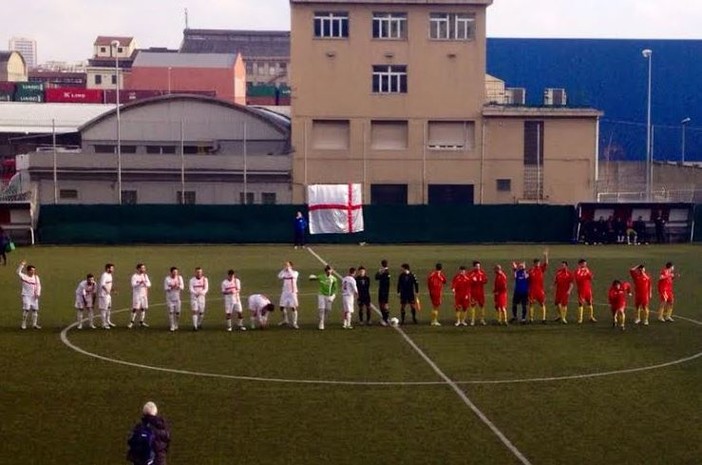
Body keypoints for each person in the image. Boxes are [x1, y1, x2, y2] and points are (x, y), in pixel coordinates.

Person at [310, 265, 338, 330]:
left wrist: (333, 297)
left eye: (330, 270)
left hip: (329, 295)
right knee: (321, 309)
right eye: (328, 270)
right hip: (321, 294)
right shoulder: (321, 276)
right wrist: (312, 277)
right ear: (326, 271)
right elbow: (315, 278)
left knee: (327, 309)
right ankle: (321, 322)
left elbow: (335, 289)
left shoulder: (334, 279)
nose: (329, 271)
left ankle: (322, 319)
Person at [18, 260, 41, 329]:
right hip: (26, 295)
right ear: (28, 271)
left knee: (35, 310)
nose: (33, 272)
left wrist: (38, 293)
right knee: (26, 309)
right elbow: (18, 272)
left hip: (34, 296)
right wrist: (21, 265)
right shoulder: (24, 276)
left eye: (34, 270)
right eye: (32, 270)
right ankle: (23, 324)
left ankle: (34, 324)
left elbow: (38, 286)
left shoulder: (36, 277)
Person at [128, 263, 152, 329]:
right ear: (138, 269)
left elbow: (149, 284)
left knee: (143, 308)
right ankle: (131, 322)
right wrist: (139, 283)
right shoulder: (134, 276)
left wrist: (145, 283)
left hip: (144, 294)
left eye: (144, 268)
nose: (144, 269)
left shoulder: (145, 275)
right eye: (142, 268)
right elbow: (133, 284)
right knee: (135, 308)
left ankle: (141, 322)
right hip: (137, 295)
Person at [528, 249, 549, 323]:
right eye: (536, 263)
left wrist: (546, 256)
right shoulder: (530, 270)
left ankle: (543, 319)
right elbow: (527, 279)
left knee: (542, 303)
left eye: (538, 263)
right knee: (531, 304)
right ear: (534, 263)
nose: (537, 264)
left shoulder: (541, 269)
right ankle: (531, 319)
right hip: (532, 290)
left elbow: (546, 263)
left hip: (540, 290)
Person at [277, 261, 299, 329]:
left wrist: (289, 269)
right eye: (285, 265)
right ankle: (285, 320)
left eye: (288, 265)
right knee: (281, 307)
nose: (286, 266)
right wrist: (284, 269)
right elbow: (279, 276)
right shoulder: (284, 273)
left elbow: (292, 275)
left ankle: (294, 323)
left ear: (291, 266)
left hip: (292, 292)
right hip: (285, 292)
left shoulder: (295, 272)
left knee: (293, 307)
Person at [574, 259, 596, 324]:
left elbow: (591, 277)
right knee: (580, 303)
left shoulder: (587, 270)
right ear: (580, 264)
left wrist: (590, 275)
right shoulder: (577, 271)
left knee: (590, 302)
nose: (585, 265)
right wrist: (585, 275)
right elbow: (578, 279)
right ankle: (580, 319)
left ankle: (591, 317)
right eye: (584, 263)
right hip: (581, 290)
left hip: (588, 289)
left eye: (585, 263)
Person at [468, 261, 488, 326]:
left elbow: (485, 280)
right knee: (473, 306)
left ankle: (482, 320)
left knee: (482, 306)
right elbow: (468, 282)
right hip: (473, 293)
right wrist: (472, 281)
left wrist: (484, 280)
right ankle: (472, 320)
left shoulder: (482, 272)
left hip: (481, 293)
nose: (478, 267)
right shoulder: (470, 273)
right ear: (474, 267)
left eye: (479, 266)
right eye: (477, 266)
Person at [164, 267, 184, 332]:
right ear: (171, 272)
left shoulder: (179, 278)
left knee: (178, 313)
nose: (175, 273)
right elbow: (166, 288)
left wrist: (178, 286)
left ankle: (176, 323)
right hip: (169, 298)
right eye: (174, 272)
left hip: (177, 298)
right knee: (171, 312)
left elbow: (182, 287)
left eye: (176, 272)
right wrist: (171, 287)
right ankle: (172, 325)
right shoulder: (167, 279)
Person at [99, 263, 116, 329]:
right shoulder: (104, 275)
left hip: (108, 295)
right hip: (103, 295)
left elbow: (108, 284)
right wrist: (107, 291)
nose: (113, 269)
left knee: (109, 308)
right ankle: (103, 323)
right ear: (107, 268)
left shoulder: (110, 275)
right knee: (104, 309)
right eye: (112, 268)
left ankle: (108, 321)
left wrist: (112, 289)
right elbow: (102, 285)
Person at [375, 259, 391, 326]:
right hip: (384, 290)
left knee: (383, 305)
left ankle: (385, 319)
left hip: (383, 290)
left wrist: (380, 272)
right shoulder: (385, 271)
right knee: (383, 304)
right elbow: (377, 278)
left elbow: (377, 278)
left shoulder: (386, 272)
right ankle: (385, 318)